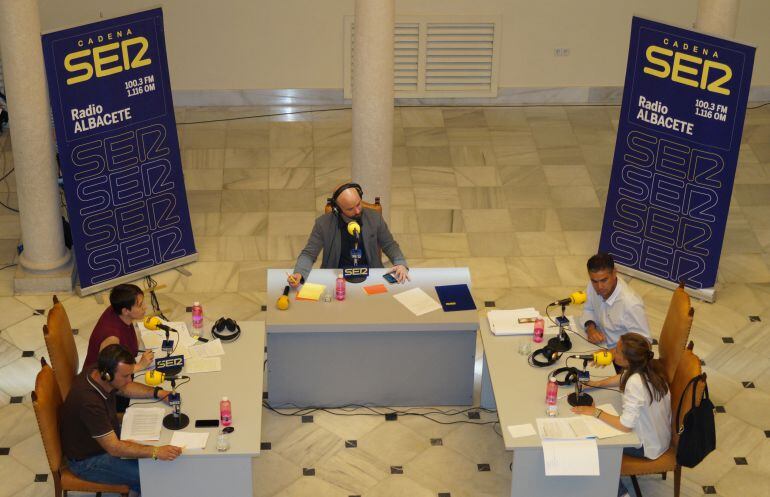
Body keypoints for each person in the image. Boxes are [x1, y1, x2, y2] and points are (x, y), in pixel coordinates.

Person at [60, 344, 182, 496]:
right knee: (155, 472)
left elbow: (125, 388)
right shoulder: (89, 402)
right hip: (89, 461)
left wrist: (159, 392)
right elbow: (114, 448)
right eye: (125, 376)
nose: (129, 379)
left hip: (105, 439)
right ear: (107, 375)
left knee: (154, 464)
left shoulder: (99, 370)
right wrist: (156, 451)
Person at [572, 333, 671, 497]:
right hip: (659, 436)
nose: (613, 353)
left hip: (647, 446)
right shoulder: (649, 367)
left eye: (617, 351)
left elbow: (625, 426)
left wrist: (596, 412)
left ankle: (621, 493)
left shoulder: (635, 383)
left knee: (596, 446)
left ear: (627, 360)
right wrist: (597, 384)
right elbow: (623, 376)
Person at [288, 182, 409, 286]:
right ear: (337, 209)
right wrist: (299, 273)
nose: (357, 211)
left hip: (370, 277)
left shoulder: (375, 218)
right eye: (350, 209)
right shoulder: (323, 224)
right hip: (336, 279)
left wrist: (400, 263)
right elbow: (309, 254)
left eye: (358, 204)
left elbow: (389, 245)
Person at [84, 284, 155, 412]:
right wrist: (139, 366)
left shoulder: (116, 310)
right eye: (139, 305)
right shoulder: (112, 339)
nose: (145, 307)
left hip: (120, 374)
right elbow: (112, 381)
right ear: (125, 311)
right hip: (106, 395)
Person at [580, 253, 651, 369]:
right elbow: (588, 308)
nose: (599, 287)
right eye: (594, 281)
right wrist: (590, 328)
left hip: (621, 361)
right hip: (599, 347)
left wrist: (612, 353)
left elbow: (645, 343)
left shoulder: (631, 304)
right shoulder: (593, 285)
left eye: (604, 280)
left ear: (614, 273)